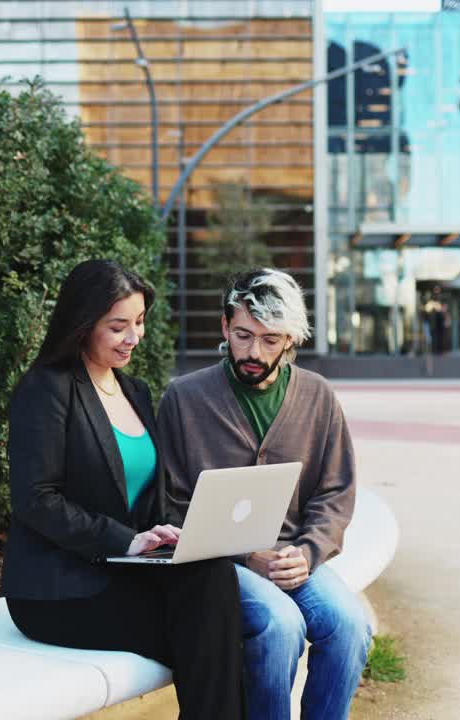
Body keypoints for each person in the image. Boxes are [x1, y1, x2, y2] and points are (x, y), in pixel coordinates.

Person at [0, 259, 244, 720]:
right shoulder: (45, 390)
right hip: (57, 588)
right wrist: (123, 539)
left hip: (125, 570)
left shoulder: (135, 391)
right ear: (83, 324)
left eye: (139, 322)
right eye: (118, 327)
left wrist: (175, 533)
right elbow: (36, 499)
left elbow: (148, 493)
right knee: (211, 634)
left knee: (213, 579)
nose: (134, 337)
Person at [157, 268, 371, 720]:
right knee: (280, 625)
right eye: (243, 335)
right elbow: (171, 502)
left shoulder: (318, 397)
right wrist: (243, 553)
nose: (253, 352)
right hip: (220, 565)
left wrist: (308, 553)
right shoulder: (183, 398)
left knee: (350, 625)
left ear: (291, 340)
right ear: (224, 327)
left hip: (296, 559)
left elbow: (336, 491)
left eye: (270, 340)